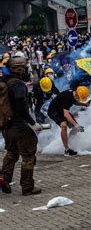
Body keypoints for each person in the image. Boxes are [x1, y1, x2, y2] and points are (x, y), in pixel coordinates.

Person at [1, 56, 43, 195]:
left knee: (12, 153)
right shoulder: (18, 84)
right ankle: (27, 187)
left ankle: (4, 178)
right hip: (19, 125)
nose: (26, 71)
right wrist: (33, 123)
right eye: (24, 68)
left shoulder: (4, 82)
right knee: (29, 155)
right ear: (19, 69)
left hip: (6, 126)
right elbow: (20, 106)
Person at [47, 86, 90, 156]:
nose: (79, 99)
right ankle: (67, 150)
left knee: (75, 129)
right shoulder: (67, 98)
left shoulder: (73, 94)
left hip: (61, 110)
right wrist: (76, 125)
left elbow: (75, 102)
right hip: (53, 111)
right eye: (79, 97)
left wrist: (84, 104)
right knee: (64, 126)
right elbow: (66, 115)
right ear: (76, 93)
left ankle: (69, 142)